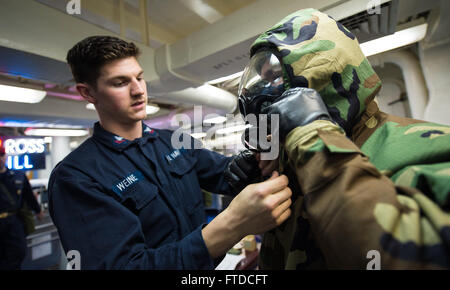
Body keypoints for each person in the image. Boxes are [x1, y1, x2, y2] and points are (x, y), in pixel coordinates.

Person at [48, 36, 291, 269]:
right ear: (87, 93)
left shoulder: (175, 142)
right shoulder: (77, 178)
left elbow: (227, 175)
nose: (138, 90)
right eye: (120, 82)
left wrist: (262, 154)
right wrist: (231, 225)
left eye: (139, 78)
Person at [237, 8, 450, 269]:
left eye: (277, 78)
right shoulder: (295, 162)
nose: (265, 91)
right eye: (264, 80)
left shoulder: (431, 148)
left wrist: (312, 135)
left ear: (321, 75)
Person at [0, 145, 44, 270]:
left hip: (13, 222)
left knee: (18, 253)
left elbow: (28, 195)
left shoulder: (18, 176)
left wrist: (38, 210)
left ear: (6, 156)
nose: (0, 158)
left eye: (2, 155)